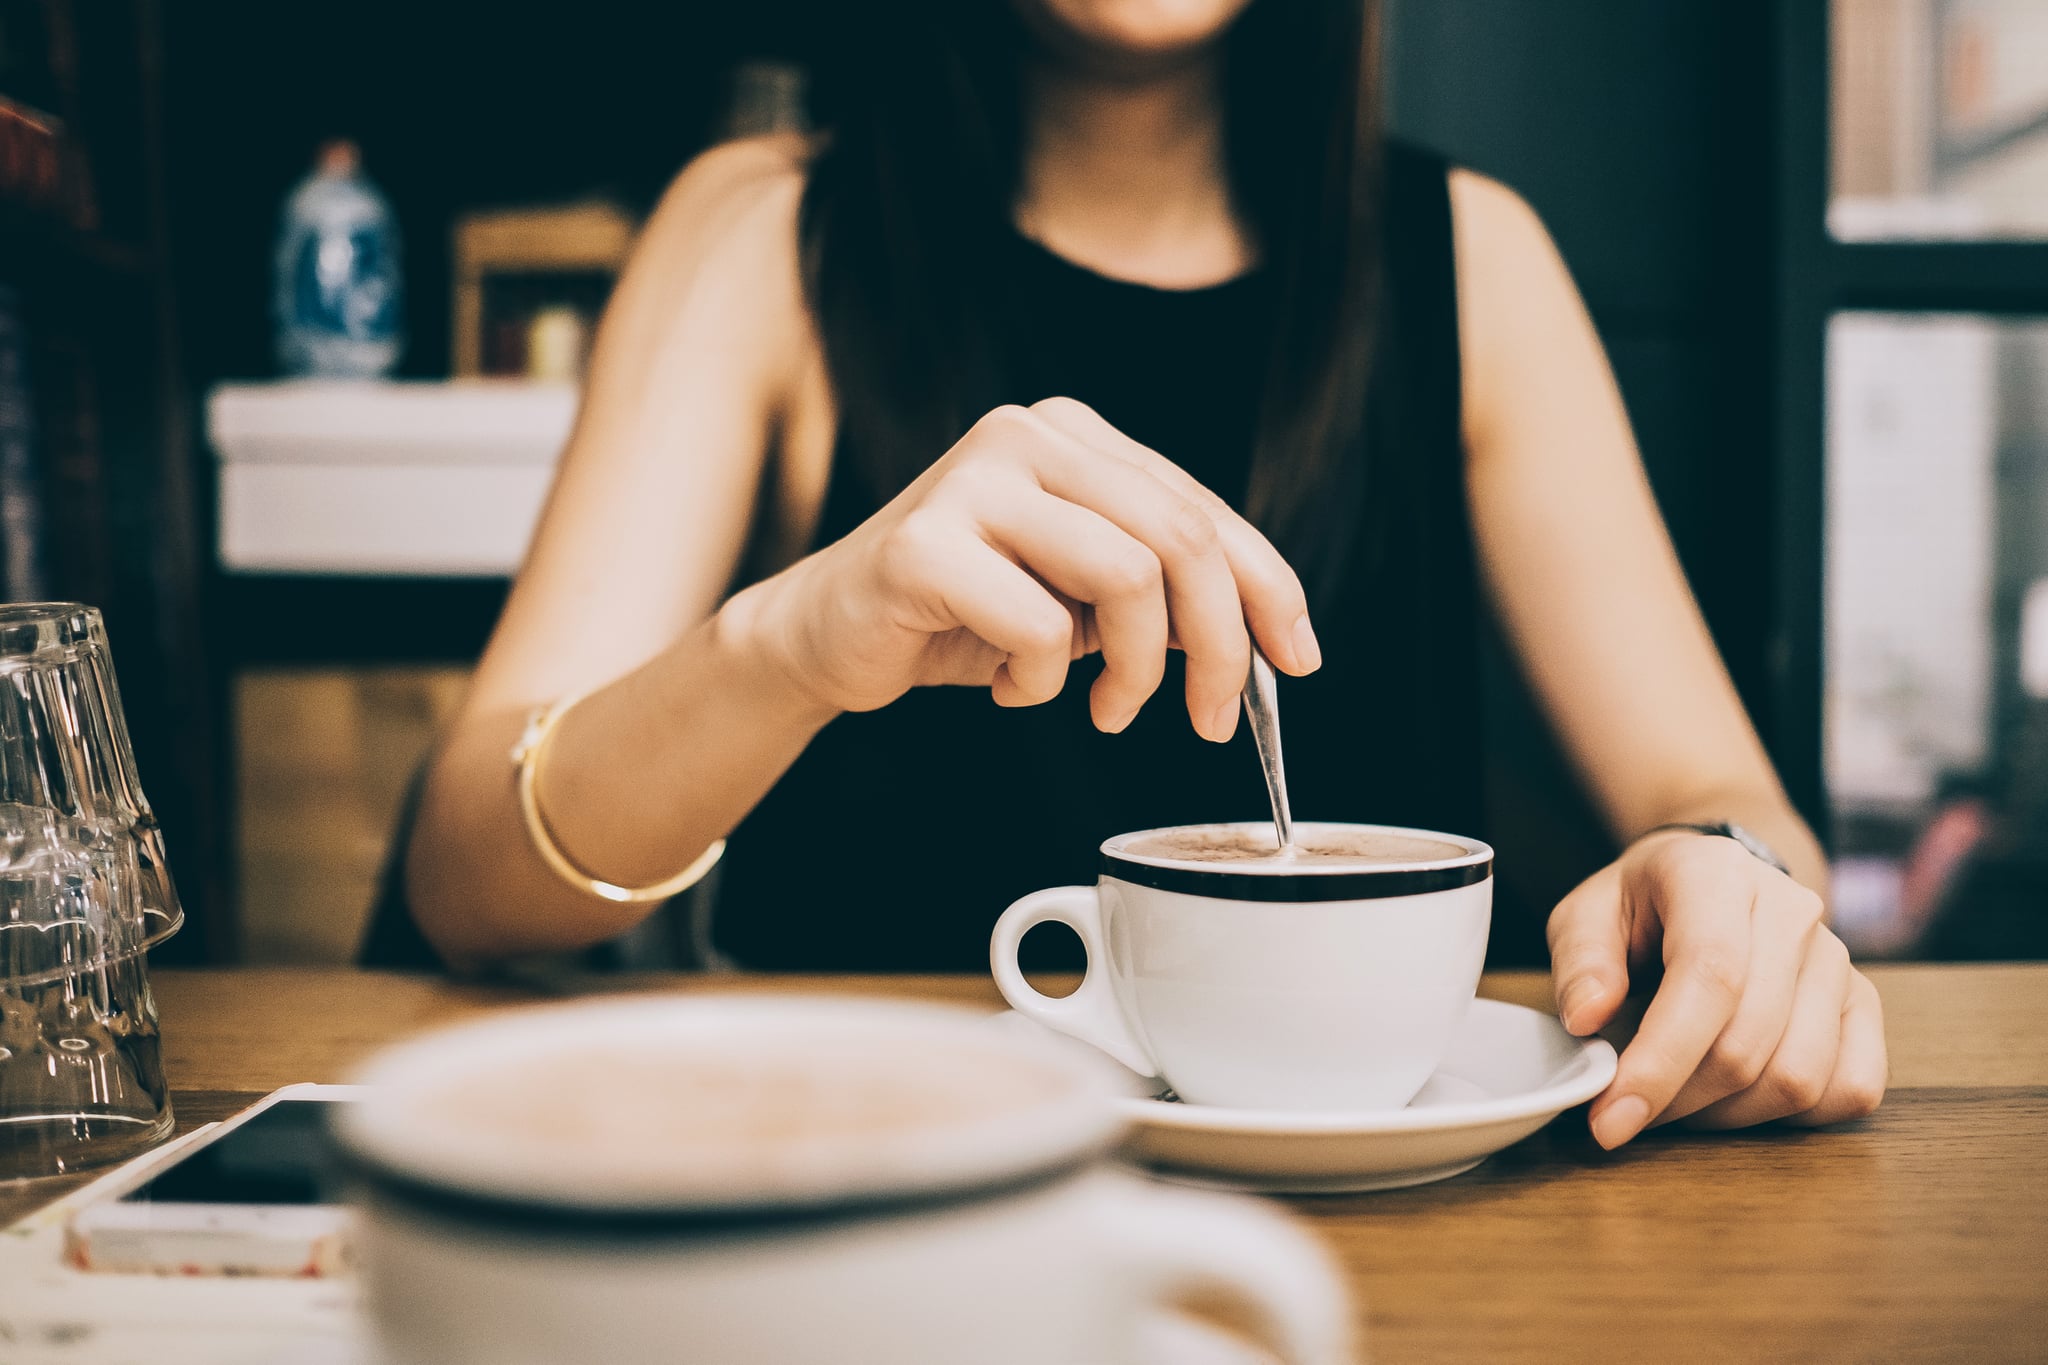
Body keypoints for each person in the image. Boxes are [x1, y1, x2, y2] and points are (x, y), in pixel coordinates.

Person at [383, 0, 1886, 1149]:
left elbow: (1729, 801)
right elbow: (465, 873)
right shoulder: (764, 238)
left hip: (1400, 1256)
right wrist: (789, 644)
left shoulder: (1472, 264)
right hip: (880, 1197)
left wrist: (1734, 884)